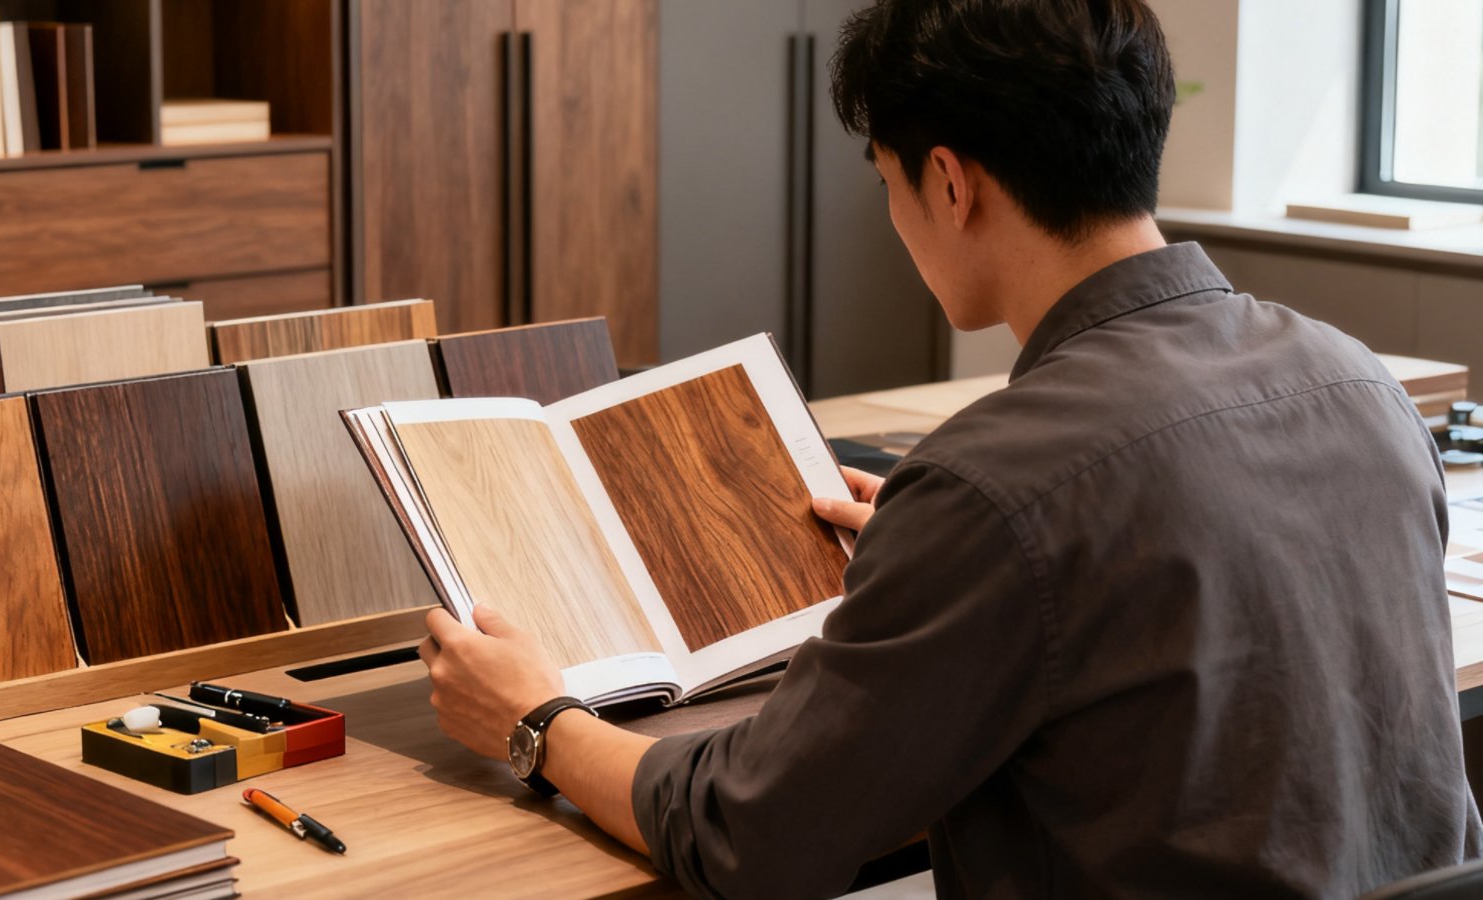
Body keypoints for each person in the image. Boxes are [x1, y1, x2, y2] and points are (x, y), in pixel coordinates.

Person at [416, 0, 1483, 895]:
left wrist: (535, 718)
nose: (895, 213)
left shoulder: (1001, 485)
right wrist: (962, 560)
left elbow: (749, 830)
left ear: (950, 181)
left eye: (886, 183)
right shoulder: (1355, 380)